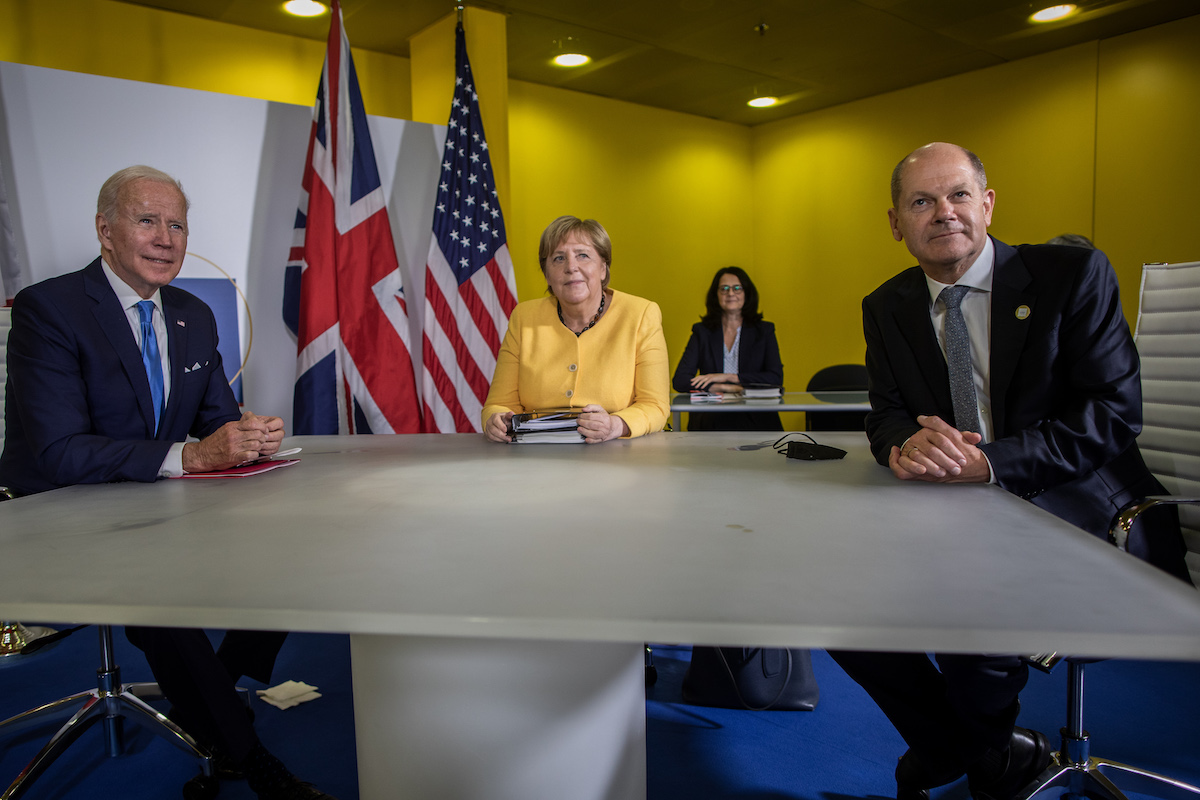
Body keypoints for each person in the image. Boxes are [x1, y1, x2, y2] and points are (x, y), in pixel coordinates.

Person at [829, 143, 1191, 800]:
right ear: (896, 223)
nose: (944, 213)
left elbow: (1114, 415)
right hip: (959, 514)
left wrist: (989, 463)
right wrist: (904, 445)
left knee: (972, 596)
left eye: (958, 195)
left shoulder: (1073, 276)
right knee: (834, 598)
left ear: (987, 204)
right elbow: (884, 413)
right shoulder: (887, 306)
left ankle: (976, 756)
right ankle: (982, 749)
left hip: (1089, 513)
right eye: (922, 201)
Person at [0, 166, 336, 800]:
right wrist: (194, 457)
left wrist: (248, 431)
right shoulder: (51, 309)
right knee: (158, 597)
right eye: (147, 221)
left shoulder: (192, 312)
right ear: (105, 230)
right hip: (56, 510)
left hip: (156, 497)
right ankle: (249, 759)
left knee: (297, 542)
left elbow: (214, 418)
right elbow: (62, 452)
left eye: (177, 224)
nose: (166, 238)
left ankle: (218, 689)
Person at [482, 215, 670, 443]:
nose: (571, 267)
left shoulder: (641, 314)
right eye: (558, 258)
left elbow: (656, 406)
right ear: (547, 275)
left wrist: (615, 425)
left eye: (583, 255)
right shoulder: (523, 318)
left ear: (603, 268)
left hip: (616, 454)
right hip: (536, 455)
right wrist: (495, 420)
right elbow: (498, 404)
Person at [672, 266, 783, 431]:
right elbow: (680, 380)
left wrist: (730, 377)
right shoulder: (702, 332)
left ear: (747, 293)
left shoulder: (764, 331)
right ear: (715, 295)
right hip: (711, 417)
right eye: (724, 289)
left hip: (756, 417)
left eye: (737, 288)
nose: (731, 293)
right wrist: (723, 387)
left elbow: (775, 378)